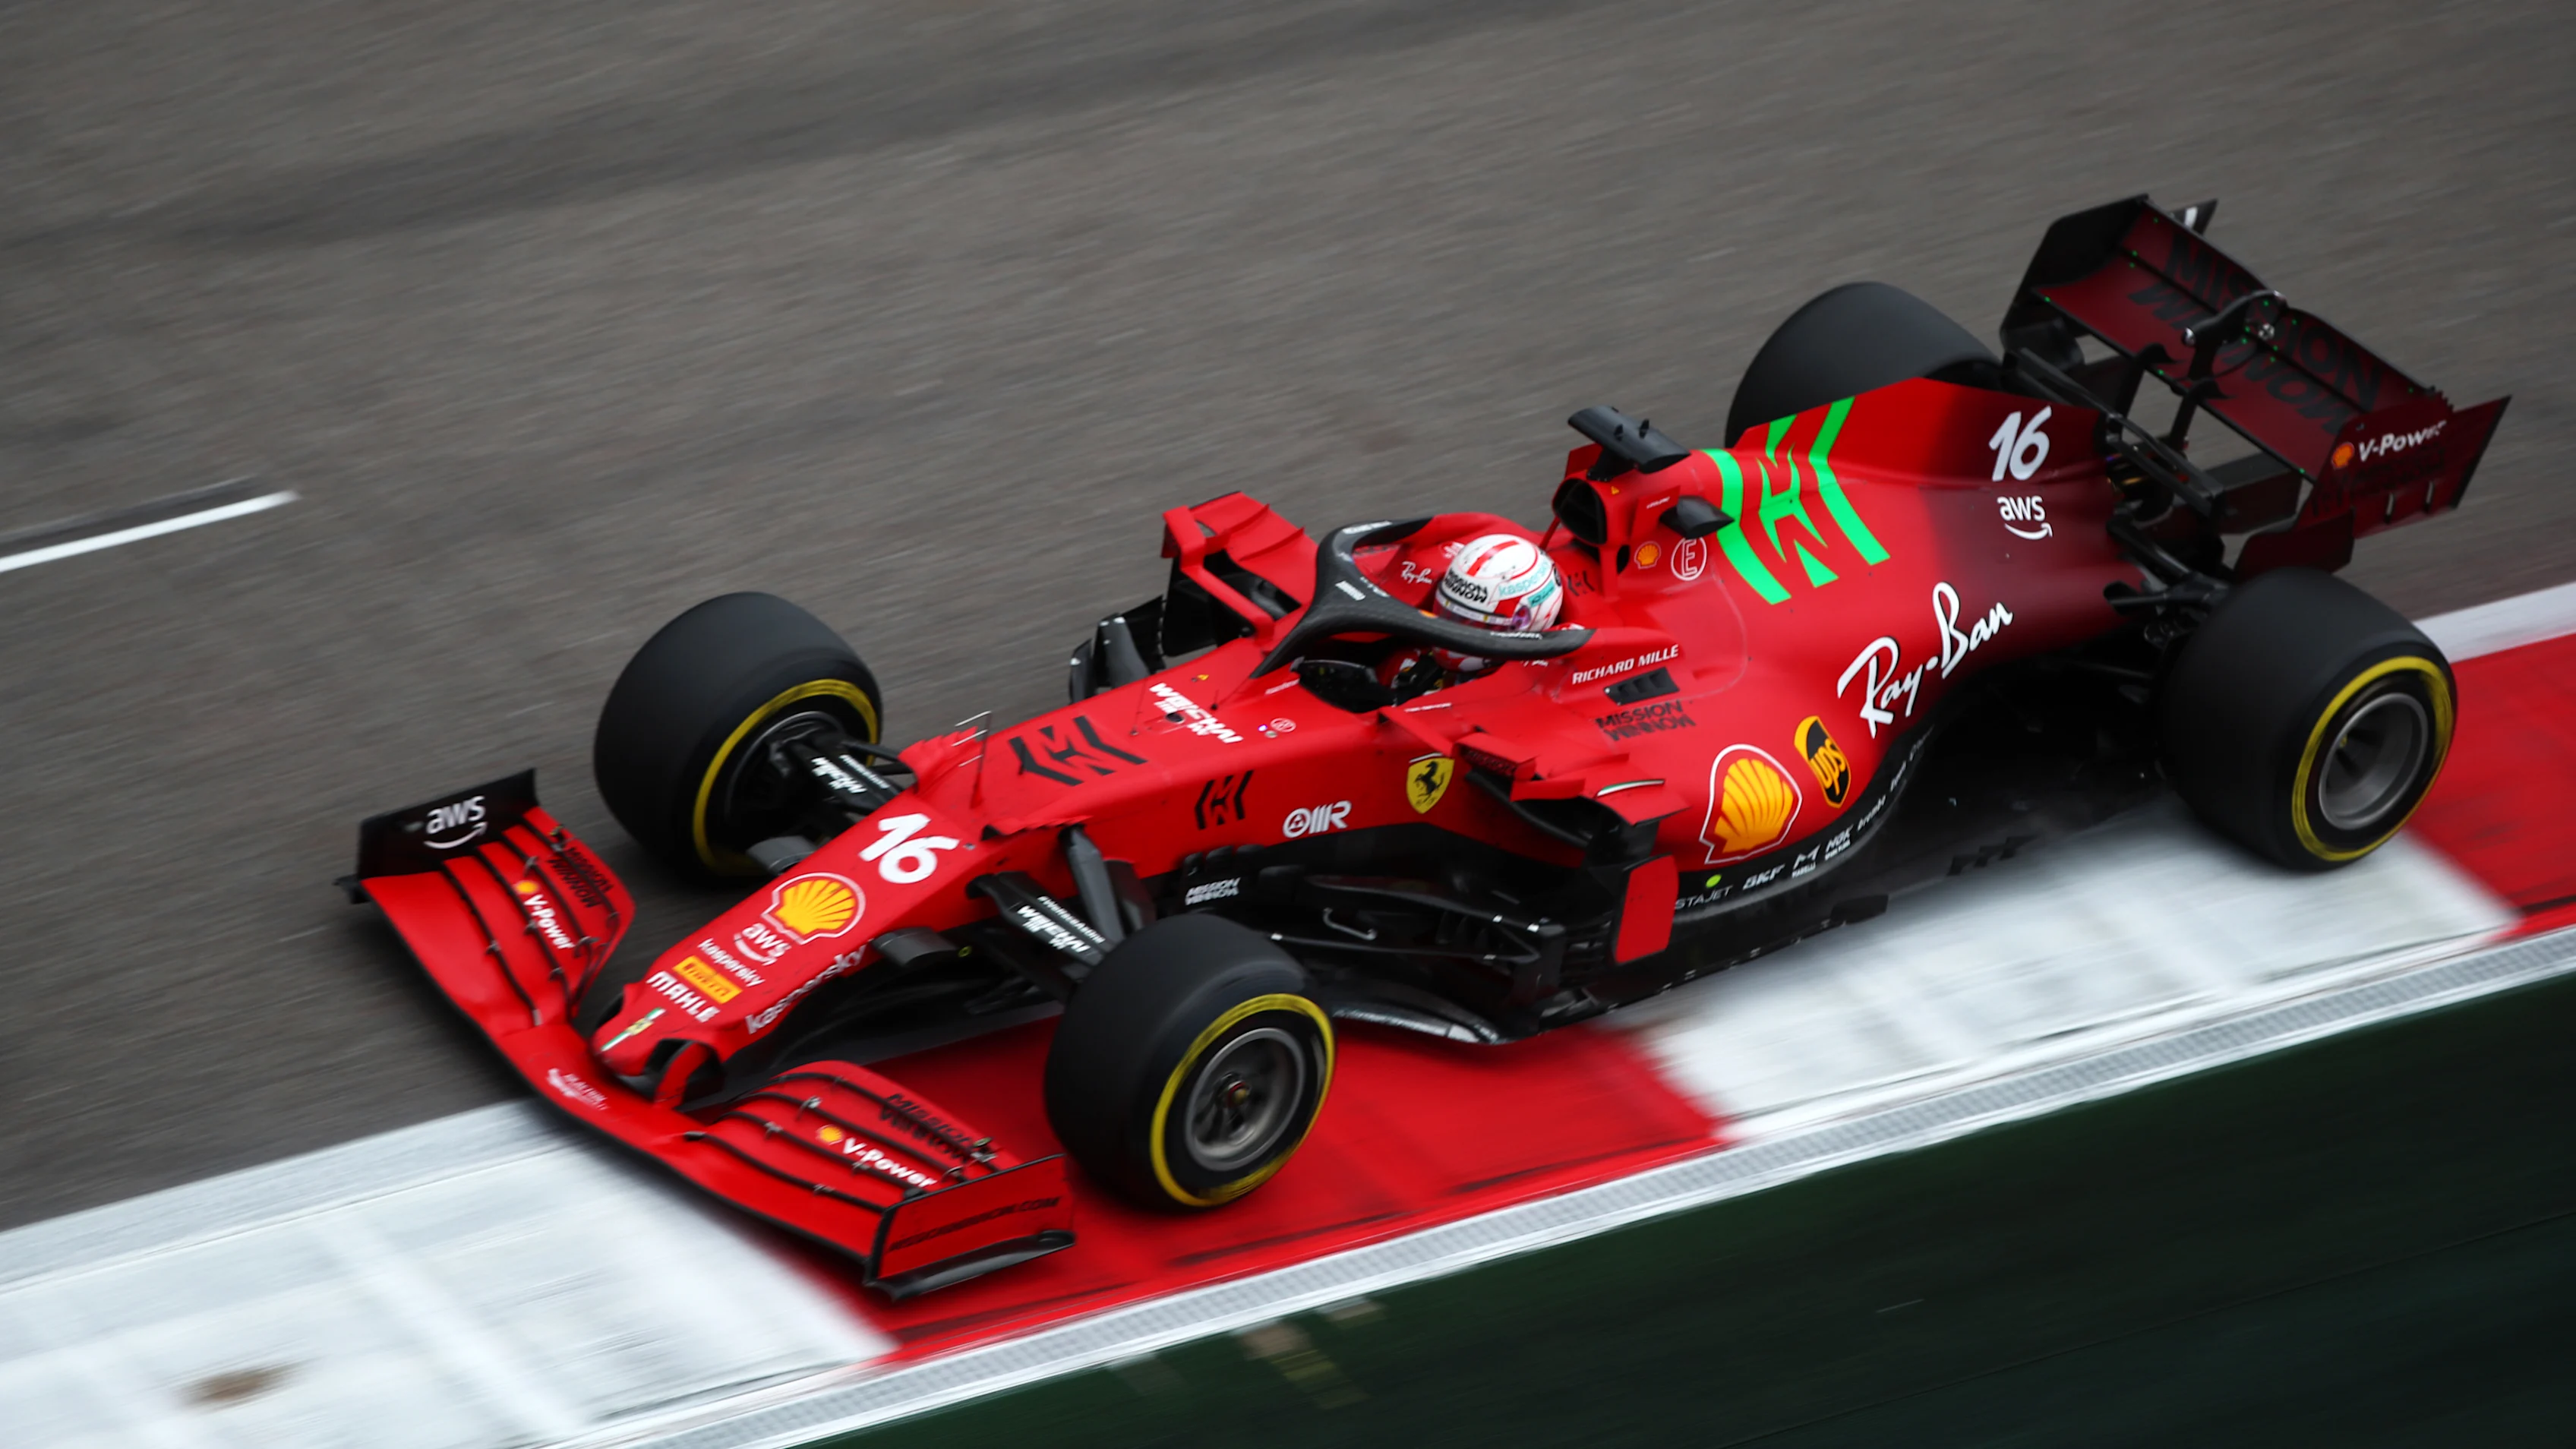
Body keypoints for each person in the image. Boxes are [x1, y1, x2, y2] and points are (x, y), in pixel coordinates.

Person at [1380, 533, 1566, 700]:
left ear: (1522, 622)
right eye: (1450, 615)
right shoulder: (1405, 663)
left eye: (1477, 624)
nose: (1455, 631)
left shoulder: (1529, 692)